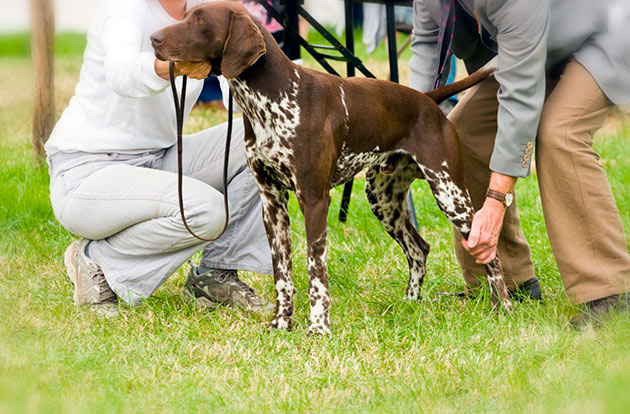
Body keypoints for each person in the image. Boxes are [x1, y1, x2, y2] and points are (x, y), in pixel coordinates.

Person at [409, 0, 630, 328]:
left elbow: (520, 94)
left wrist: (496, 199)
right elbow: (427, 42)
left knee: (560, 133)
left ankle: (610, 292)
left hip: (603, 35)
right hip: (527, 48)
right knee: (460, 134)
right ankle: (507, 282)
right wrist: (405, 126)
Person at [45, 0, 273, 317]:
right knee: (206, 211)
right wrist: (175, 66)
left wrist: (235, 52)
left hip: (160, 157)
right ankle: (96, 258)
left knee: (265, 139)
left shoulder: (205, 13)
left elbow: (237, 100)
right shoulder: (125, 8)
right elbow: (122, 74)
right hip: (88, 171)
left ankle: (215, 273)